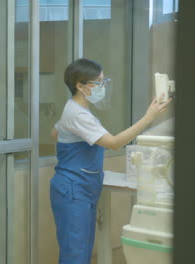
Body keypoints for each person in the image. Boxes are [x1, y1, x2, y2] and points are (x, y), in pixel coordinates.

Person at [49, 58, 171, 264]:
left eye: (104, 82)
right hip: (73, 189)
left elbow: (54, 133)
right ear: (80, 85)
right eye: (98, 83)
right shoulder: (78, 114)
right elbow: (114, 143)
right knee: (75, 253)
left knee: (82, 249)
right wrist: (148, 117)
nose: (102, 87)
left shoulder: (75, 111)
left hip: (82, 187)